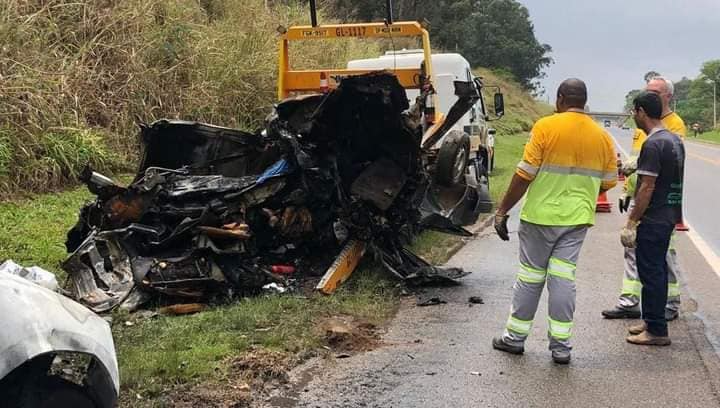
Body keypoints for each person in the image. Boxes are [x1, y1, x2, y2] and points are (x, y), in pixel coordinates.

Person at [491, 79, 617, 364]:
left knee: (531, 277)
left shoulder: (546, 126)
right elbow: (608, 181)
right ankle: (561, 348)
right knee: (563, 278)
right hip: (577, 220)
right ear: (584, 101)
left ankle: (514, 339)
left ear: (560, 99)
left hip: (539, 216)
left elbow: (525, 173)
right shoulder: (602, 137)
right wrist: (581, 195)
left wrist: (502, 210)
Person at [602, 76, 686, 321]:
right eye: (647, 91)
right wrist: (628, 190)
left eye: (655, 92)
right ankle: (629, 301)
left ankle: (669, 304)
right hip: (639, 194)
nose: (650, 95)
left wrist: (634, 167)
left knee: (662, 254)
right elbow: (642, 160)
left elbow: (662, 159)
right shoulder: (642, 128)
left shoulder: (674, 125)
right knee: (632, 250)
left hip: (656, 202)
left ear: (668, 96)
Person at [621, 91, 685, 346]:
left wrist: (631, 222)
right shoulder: (672, 139)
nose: (634, 117)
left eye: (634, 112)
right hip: (668, 213)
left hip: (654, 217)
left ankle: (657, 331)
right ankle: (651, 320)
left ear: (641, 112)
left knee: (651, 273)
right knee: (655, 270)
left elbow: (647, 187)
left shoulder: (653, 143)